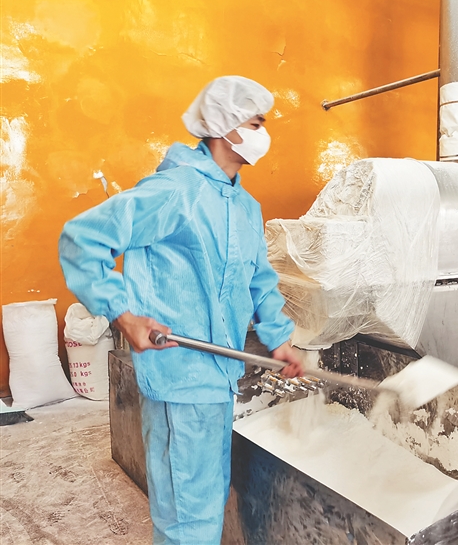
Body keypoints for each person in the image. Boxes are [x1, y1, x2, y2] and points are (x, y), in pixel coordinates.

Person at [59, 75, 303, 545]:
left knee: (203, 504)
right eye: (256, 123)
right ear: (225, 127)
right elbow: (82, 238)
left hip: (218, 376)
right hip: (179, 373)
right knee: (187, 520)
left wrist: (280, 338)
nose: (263, 133)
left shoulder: (245, 206)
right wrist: (123, 314)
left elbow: (258, 278)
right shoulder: (175, 191)